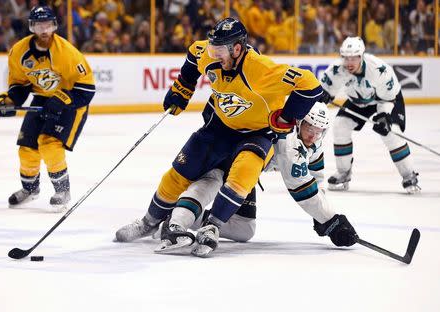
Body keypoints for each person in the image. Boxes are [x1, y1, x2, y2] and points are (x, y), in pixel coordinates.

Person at [114, 17, 323, 256]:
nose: (213, 54)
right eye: (213, 48)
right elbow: (194, 55)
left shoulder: (262, 69)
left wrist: (287, 117)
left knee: (243, 175)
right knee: (179, 173)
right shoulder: (210, 54)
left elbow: (310, 85)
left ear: (237, 48)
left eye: (220, 50)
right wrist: (182, 87)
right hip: (219, 127)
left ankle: (212, 227)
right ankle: (149, 222)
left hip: (256, 133)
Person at [0, 6, 95, 212]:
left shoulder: (67, 53)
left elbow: (87, 89)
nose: (44, 30)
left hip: (71, 102)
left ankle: (62, 190)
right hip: (42, 99)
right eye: (39, 25)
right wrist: (9, 100)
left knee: (49, 144)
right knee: (27, 148)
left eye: (48, 25)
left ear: (54, 26)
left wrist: (60, 100)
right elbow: (19, 85)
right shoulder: (19, 52)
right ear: (32, 26)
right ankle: (30, 189)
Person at [320, 37, 420, 194]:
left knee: (390, 134)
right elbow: (324, 90)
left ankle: (409, 175)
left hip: (386, 100)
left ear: (362, 56)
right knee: (340, 126)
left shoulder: (379, 70)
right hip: (358, 101)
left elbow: (388, 98)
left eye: (354, 57)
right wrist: (323, 95)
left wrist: (384, 116)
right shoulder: (336, 70)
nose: (349, 62)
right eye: (346, 57)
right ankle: (343, 173)